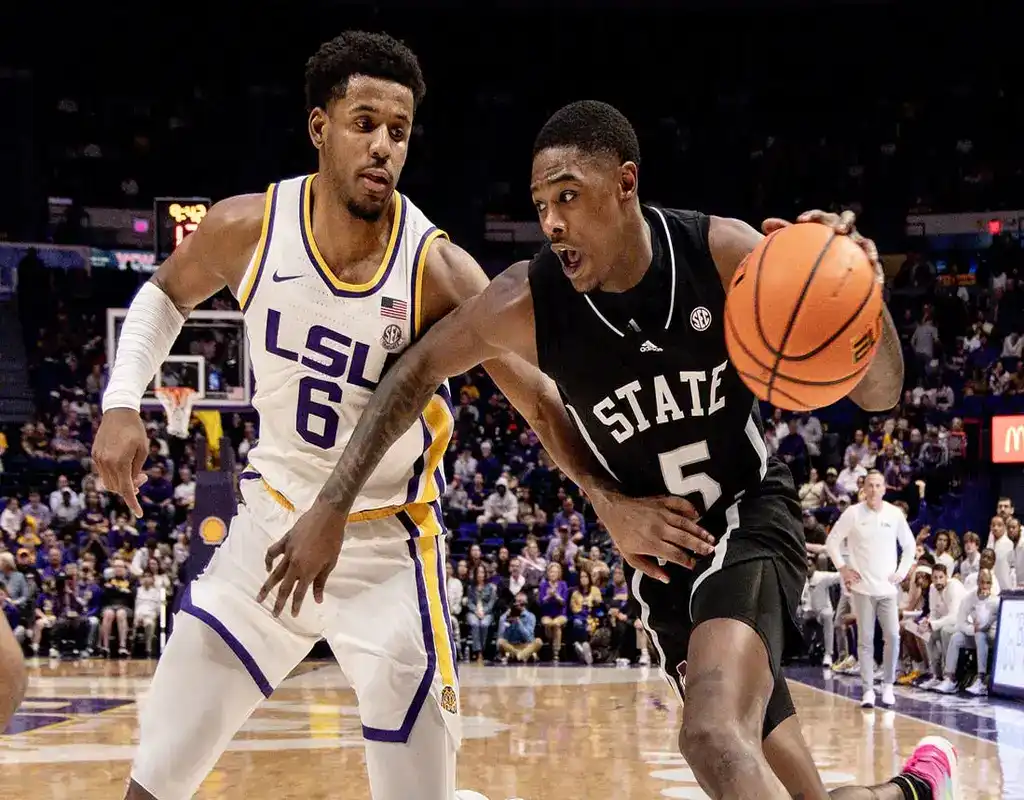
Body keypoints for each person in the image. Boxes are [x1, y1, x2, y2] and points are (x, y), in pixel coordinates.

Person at [260, 100, 958, 799]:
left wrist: (859, 292)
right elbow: (415, 371)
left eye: (568, 194)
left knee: (712, 735)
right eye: (541, 204)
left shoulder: (722, 253)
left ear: (625, 182)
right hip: (665, 575)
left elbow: (879, 393)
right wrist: (332, 504)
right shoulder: (528, 301)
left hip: (747, 519)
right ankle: (917, 789)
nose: (553, 221)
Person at [92, 30, 492, 800]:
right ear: (320, 127)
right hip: (270, 529)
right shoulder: (249, 226)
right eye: (364, 123)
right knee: (154, 780)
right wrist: (120, 401)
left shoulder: (437, 268)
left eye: (399, 132)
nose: (383, 146)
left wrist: (612, 497)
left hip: (389, 549)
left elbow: (534, 385)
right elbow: (165, 295)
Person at [824, 471, 916, 707]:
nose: (874, 490)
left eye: (878, 485)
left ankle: (887, 685)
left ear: (885, 488)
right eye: (870, 486)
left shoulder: (894, 514)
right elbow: (831, 542)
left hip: (887, 589)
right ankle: (867, 691)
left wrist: (902, 572)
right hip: (862, 588)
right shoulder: (853, 513)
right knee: (865, 640)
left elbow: (909, 546)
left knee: (893, 636)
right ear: (863, 489)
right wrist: (843, 569)